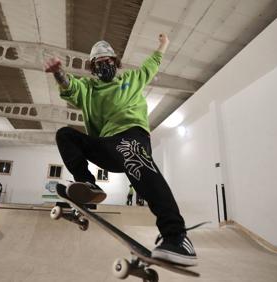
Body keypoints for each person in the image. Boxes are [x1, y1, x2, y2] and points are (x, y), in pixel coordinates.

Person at [44, 34, 197, 266]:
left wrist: (164, 44)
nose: (103, 66)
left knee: (130, 151)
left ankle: (177, 237)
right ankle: (88, 186)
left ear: (115, 63)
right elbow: (70, 86)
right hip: (106, 147)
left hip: (132, 137)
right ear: (93, 68)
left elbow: (152, 63)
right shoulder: (89, 88)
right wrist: (58, 73)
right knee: (65, 135)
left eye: (107, 61)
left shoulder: (132, 79)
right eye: (98, 63)